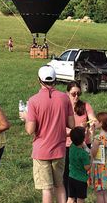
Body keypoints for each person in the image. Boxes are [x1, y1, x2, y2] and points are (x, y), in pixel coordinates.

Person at [21, 65, 75, 203]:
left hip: (41, 151)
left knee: (47, 188)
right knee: (60, 185)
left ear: (39, 80)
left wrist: (26, 117)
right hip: (59, 149)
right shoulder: (64, 98)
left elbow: (30, 130)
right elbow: (72, 124)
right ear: (55, 80)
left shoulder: (33, 100)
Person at [64, 82, 96, 198]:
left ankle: (78, 198)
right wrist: (74, 131)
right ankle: (69, 198)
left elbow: (93, 119)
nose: (76, 96)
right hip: (68, 146)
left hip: (83, 145)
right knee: (67, 175)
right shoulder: (63, 107)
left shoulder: (85, 106)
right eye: (73, 94)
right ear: (67, 93)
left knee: (81, 175)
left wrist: (92, 123)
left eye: (78, 93)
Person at [89, 112, 107, 203]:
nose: (94, 123)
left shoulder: (98, 138)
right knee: (104, 192)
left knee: (99, 192)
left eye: (97, 121)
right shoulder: (106, 136)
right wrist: (93, 133)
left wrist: (91, 135)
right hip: (105, 166)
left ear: (101, 123)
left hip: (99, 167)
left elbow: (93, 153)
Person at [67, 127, 91, 203]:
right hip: (81, 180)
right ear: (83, 139)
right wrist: (92, 159)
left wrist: (84, 136)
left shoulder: (71, 146)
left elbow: (81, 143)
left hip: (71, 177)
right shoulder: (83, 154)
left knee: (71, 198)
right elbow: (87, 168)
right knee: (80, 199)